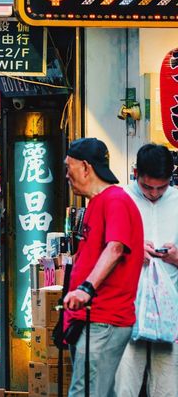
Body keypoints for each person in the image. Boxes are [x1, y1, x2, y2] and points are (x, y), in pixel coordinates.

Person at [63, 137, 144, 397]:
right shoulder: (95, 204)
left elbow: (116, 247)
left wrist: (86, 288)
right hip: (90, 319)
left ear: (86, 167)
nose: (67, 175)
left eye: (69, 167)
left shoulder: (116, 200)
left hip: (104, 319)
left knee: (85, 393)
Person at [114, 143, 178, 397]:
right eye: (147, 186)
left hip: (169, 317)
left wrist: (175, 258)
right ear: (135, 173)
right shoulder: (119, 200)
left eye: (161, 187)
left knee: (167, 390)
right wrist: (130, 253)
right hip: (125, 315)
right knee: (123, 389)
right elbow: (97, 255)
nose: (154, 193)